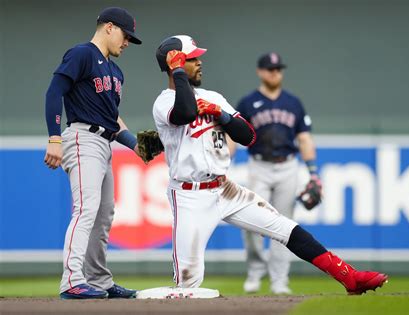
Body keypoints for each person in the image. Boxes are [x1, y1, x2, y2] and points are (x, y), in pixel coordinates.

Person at [152, 35, 388, 295]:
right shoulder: (164, 102)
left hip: (225, 188)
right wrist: (177, 72)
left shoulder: (213, 97)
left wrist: (222, 114)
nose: (199, 63)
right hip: (189, 195)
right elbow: (185, 112)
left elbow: (248, 135)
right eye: (192, 58)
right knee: (188, 283)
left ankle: (350, 277)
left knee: (286, 229)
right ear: (176, 62)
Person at [44, 7, 143, 299]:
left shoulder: (116, 71)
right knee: (86, 209)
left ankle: (98, 281)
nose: (127, 43)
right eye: (126, 36)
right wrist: (54, 137)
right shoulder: (82, 54)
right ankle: (72, 280)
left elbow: (113, 120)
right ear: (109, 27)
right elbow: (54, 92)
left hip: (103, 143)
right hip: (81, 138)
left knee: (103, 216)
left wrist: (137, 145)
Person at [233, 52, 318, 294]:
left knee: (285, 225)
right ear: (260, 72)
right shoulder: (247, 103)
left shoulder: (293, 103)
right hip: (259, 165)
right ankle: (256, 271)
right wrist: (224, 163)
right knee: (250, 220)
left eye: (278, 69)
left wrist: (314, 173)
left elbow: (304, 138)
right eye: (270, 69)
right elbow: (232, 136)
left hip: (288, 166)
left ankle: (280, 279)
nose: (275, 73)